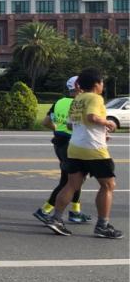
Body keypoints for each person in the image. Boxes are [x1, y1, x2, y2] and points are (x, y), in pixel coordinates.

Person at [44, 68, 122, 238]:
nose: (103, 85)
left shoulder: (77, 99)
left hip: (74, 147)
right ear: (96, 84)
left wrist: (99, 132)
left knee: (71, 185)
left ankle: (56, 219)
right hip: (93, 149)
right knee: (108, 186)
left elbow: (71, 125)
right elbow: (92, 117)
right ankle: (102, 226)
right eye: (102, 82)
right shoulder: (95, 98)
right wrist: (108, 123)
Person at [33, 76, 91, 224]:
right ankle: (44, 210)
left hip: (59, 143)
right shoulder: (80, 103)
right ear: (79, 87)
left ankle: (75, 212)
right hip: (72, 145)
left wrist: (57, 129)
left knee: (77, 178)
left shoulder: (59, 102)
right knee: (69, 181)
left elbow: (46, 121)